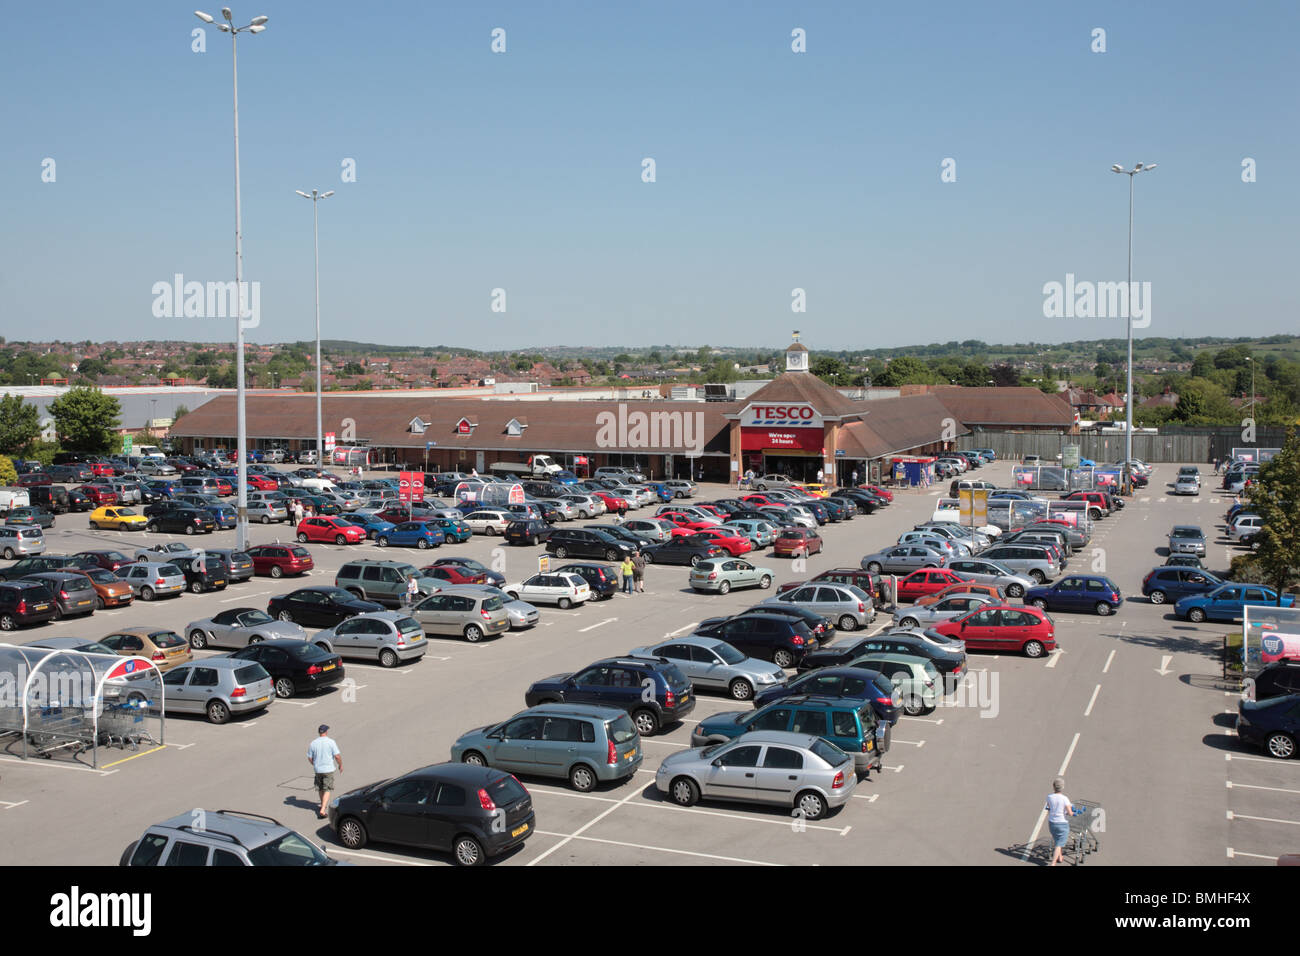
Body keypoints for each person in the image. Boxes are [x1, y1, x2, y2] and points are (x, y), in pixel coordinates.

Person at [308, 724, 343, 819]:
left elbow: (310, 758)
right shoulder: (331, 742)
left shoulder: (313, 743)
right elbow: (337, 756)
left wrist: (315, 764)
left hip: (318, 769)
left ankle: (323, 804)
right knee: (327, 789)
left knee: (320, 788)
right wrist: (340, 765)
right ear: (326, 732)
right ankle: (323, 809)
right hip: (328, 769)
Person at [1045, 776, 1074, 866]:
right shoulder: (1065, 799)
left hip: (1052, 823)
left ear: (1053, 786)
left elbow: (1049, 807)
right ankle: (1053, 863)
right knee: (1059, 844)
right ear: (1062, 787)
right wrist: (1073, 813)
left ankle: (1060, 857)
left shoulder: (1049, 797)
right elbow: (1069, 812)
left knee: (1057, 840)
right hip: (1062, 824)